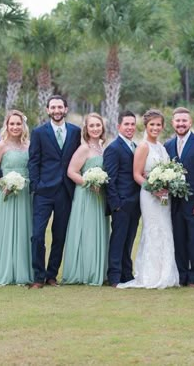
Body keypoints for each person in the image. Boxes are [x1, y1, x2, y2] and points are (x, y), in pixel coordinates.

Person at [118, 109, 179, 289]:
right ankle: (151, 275)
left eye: (158, 124)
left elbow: (169, 170)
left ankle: (166, 273)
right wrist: (154, 189)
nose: (155, 127)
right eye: (152, 124)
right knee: (153, 231)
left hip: (165, 197)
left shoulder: (161, 147)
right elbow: (137, 175)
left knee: (166, 231)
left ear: (162, 126)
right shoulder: (143, 146)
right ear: (145, 126)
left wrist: (168, 184)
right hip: (149, 196)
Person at [27, 95, 81, 288]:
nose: (57, 110)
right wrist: (36, 185)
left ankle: (51, 275)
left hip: (65, 191)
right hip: (44, 191)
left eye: (60, 107)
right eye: (53, 107)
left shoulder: (76, 132)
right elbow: (33, 160)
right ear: (48, 110)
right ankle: (38, 276)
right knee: (37, 235)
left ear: (65, 109)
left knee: (59, 235)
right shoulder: (39, 132)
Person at [0, 110, 33, 286]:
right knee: (5, 232)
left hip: (25, 194)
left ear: (23, 126)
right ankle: (2, 270)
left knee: (24, 231)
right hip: (6, 194)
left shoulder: (29, 145)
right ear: (7, 126)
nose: (15, 127)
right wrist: (3, 185)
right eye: (12, 124)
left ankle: (22, 271)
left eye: (18, 124)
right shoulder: (1, 146)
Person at [163, 107, 194, 287]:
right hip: (175, 204)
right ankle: (182, 276)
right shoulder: (167, 146)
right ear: (172, 123)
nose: (181, 124)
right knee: (179, 240)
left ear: (190, 122)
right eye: (178, 121)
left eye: (184, 121)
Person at [62, 113, 110, 286]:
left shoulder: (103, 148)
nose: (96, 129)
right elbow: (71, 172)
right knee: (86, 231)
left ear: (102, 128)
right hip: (86, 195)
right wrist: (88, 183)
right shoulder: (84, 148)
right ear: (86, 129)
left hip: (100, 196)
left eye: (98, 125)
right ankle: (84, 271)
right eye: (92, 126)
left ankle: (98, 270)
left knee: (98, 230)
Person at [104, 111, 142, 287]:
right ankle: (114, 276)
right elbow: (110, 178)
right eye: (126, 124)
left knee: (129, 240)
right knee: (118, 240)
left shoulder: (135, 146)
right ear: (119, 126)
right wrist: (116, 204)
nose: (130, 127)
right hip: (121, 203)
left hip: (135, 203)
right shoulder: (113, 148)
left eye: (132, 124)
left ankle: (127, 274)